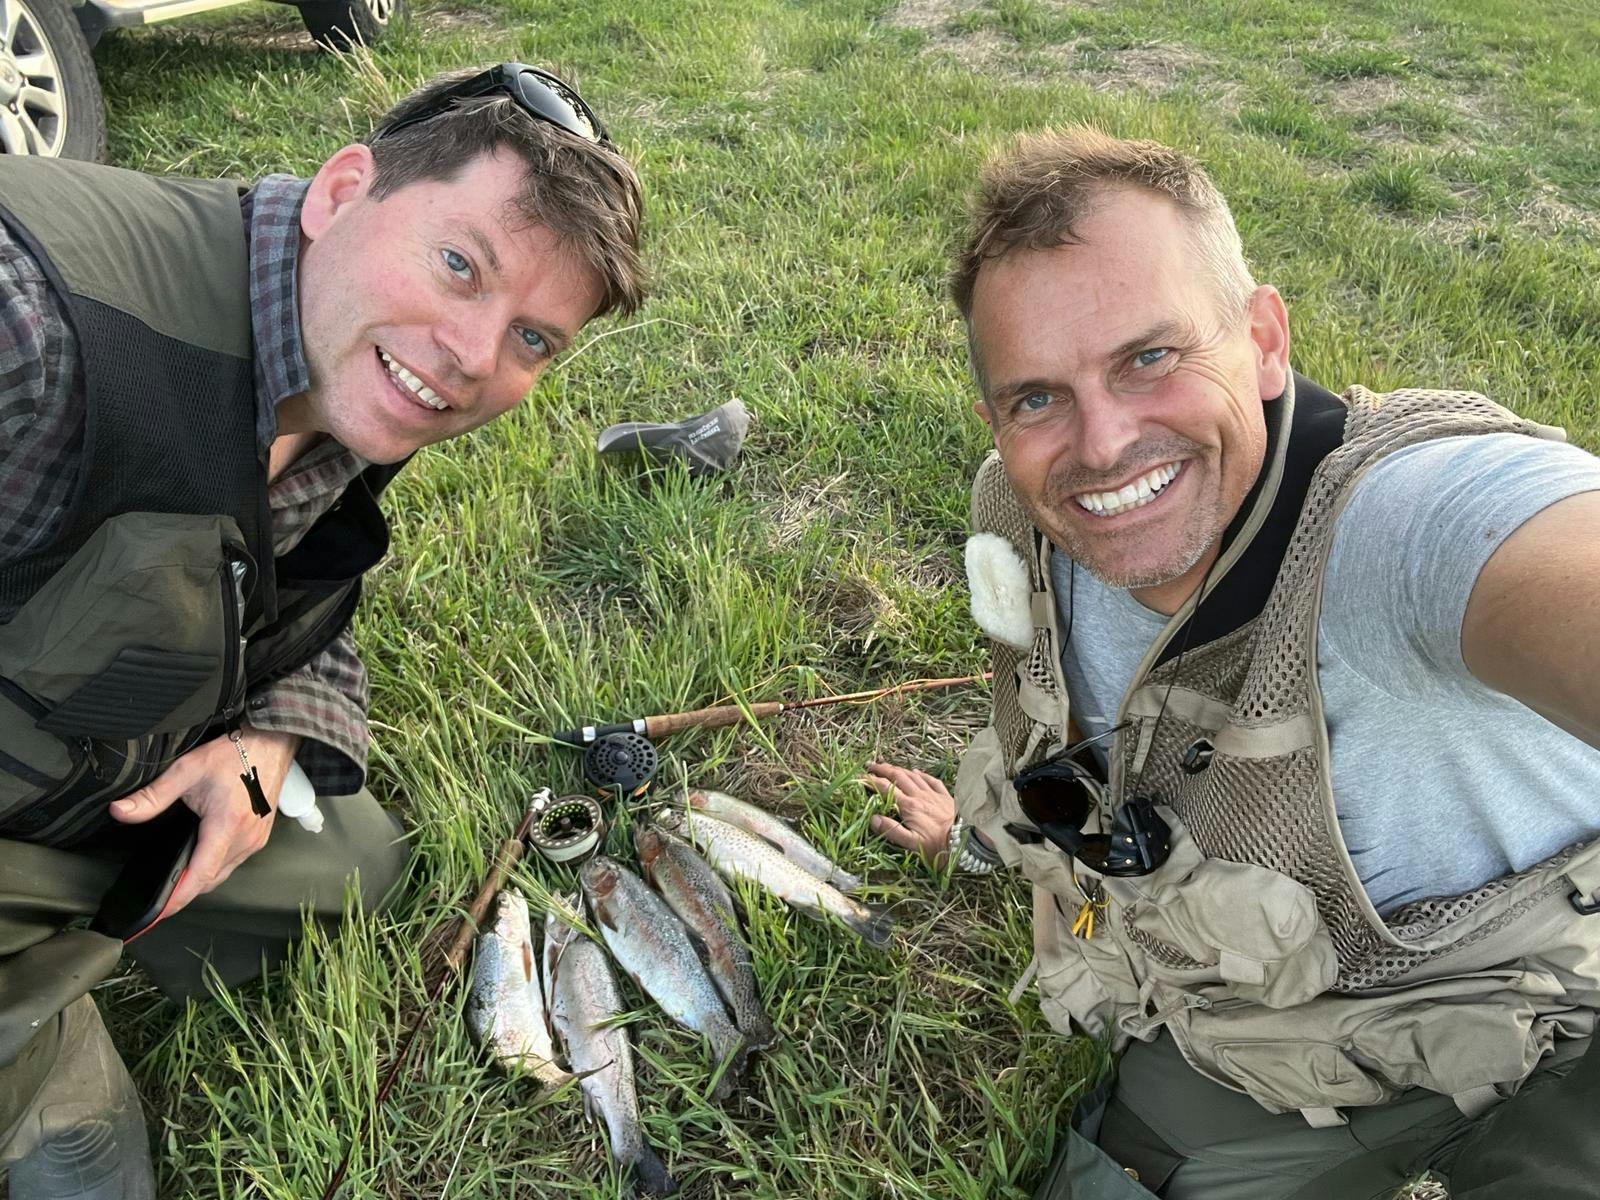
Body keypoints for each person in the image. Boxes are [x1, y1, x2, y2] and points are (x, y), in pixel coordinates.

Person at [866, 126, 1600, 1200]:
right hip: (1270, 1044)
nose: (1103, 443)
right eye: (1036, 397)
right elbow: (1053, 750)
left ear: (1262, 339)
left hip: (1565, 1035)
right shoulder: (1012, 521)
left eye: (1148, 358)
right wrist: (982, 842)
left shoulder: (1404, 526)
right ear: (994, 418)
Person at [0, 62, 642, 1195]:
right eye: (459, 265)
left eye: (533, 339)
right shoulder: (31, 327)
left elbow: (285, 581)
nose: (471, 359)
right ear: (341, 191)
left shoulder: (332, 354)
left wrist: (270, 740)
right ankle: (39, 1027)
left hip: (96, 753)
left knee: (354, 862)